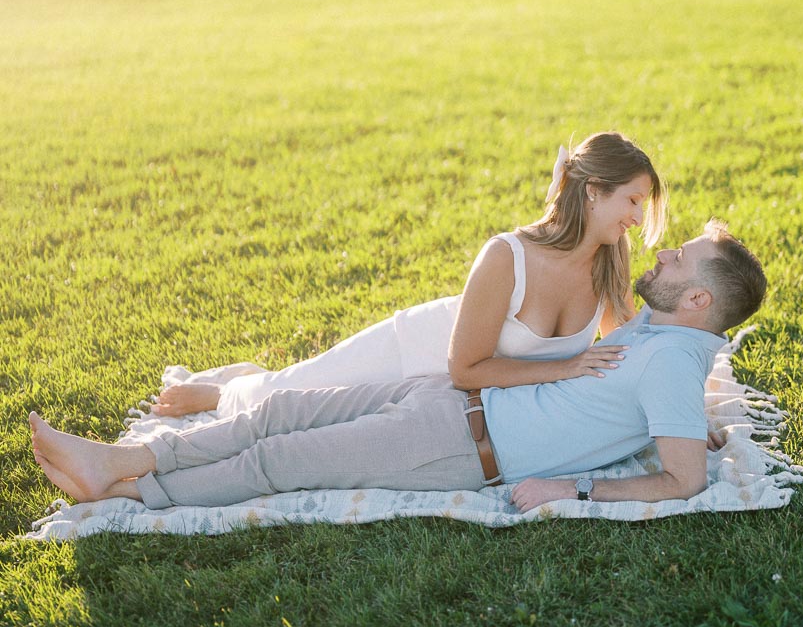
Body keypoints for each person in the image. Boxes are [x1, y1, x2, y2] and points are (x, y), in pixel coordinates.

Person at [29, 220, 767, 513]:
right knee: (278, 413)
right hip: (449, 399)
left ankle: (136, 492)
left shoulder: (672, 355)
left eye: (681, 259)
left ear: (697, 299)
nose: (663, 252)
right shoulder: (665, 332)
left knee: (280, 460)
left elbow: (685, 479)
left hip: (459, 447)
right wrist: (695, 418)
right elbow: (669, 411)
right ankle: (125, 457)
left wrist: (569, 487)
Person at [149, 132, 667, 419]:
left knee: (329, 418)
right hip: (420, 349)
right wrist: (567, 366)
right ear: (594, 190)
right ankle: (228, 390)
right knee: (289, 398)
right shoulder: (507, 255)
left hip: (452, 399)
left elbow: (619, 354)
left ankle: (247, 383)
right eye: (634, 201)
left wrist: (680, 416)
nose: (638, 219)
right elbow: (466, 369)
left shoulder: (608, 263)